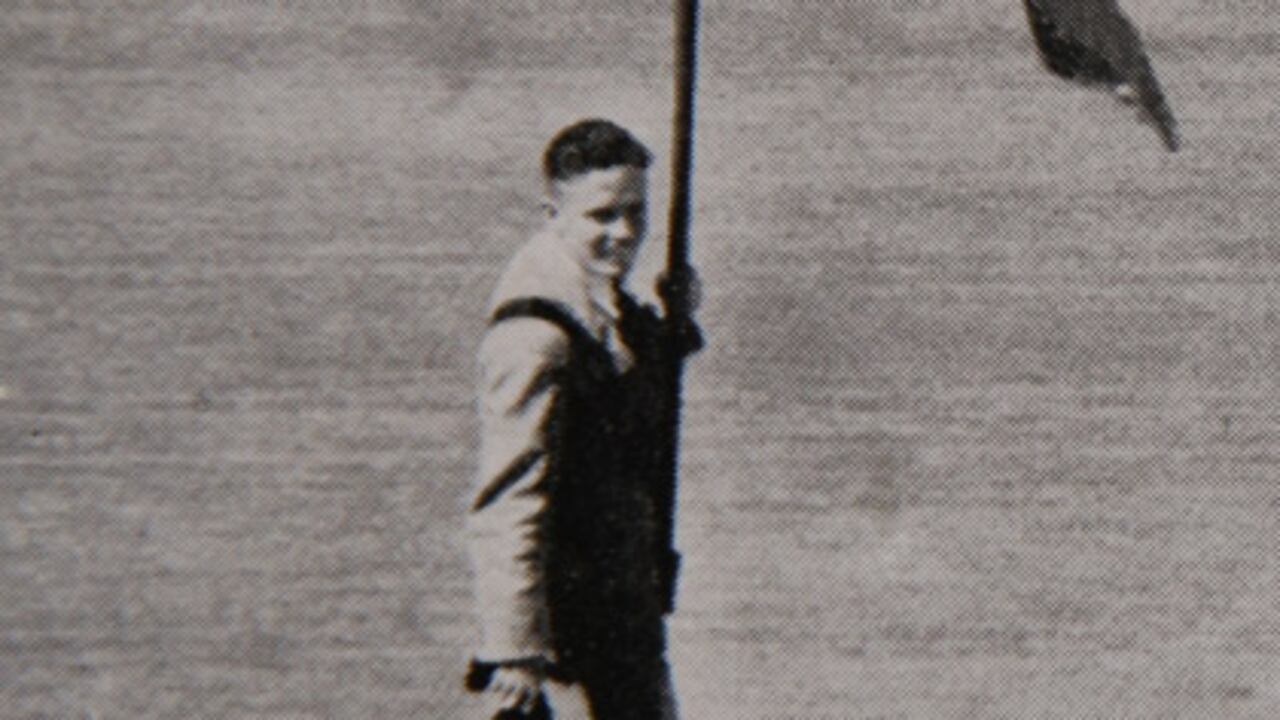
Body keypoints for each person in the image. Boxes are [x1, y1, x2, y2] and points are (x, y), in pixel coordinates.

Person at [465, 119, 702, 719]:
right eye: (602, 216)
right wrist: (515, 650)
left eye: (635, 213)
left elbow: (616, 397)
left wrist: (670, 327)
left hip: (620, 601)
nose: (624, 234)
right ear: (553, 211)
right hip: (569, 624)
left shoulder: (594, 291)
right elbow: (511, 496)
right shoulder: (534, 334)